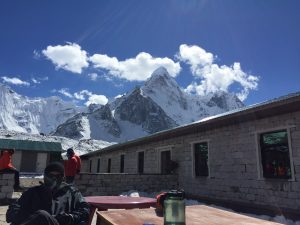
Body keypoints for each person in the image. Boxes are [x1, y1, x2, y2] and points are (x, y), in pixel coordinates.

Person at [6, 162, 90, 225]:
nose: (54, 179)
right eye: (51, 175)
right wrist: (32, 217)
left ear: (63, 177)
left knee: (43, 215)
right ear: (45, 176)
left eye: (58, 176)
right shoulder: (33, 192)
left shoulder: (72, 192)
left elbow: (85, 209)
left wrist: (70, 217)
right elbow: (12, 211)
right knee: (42, 216)